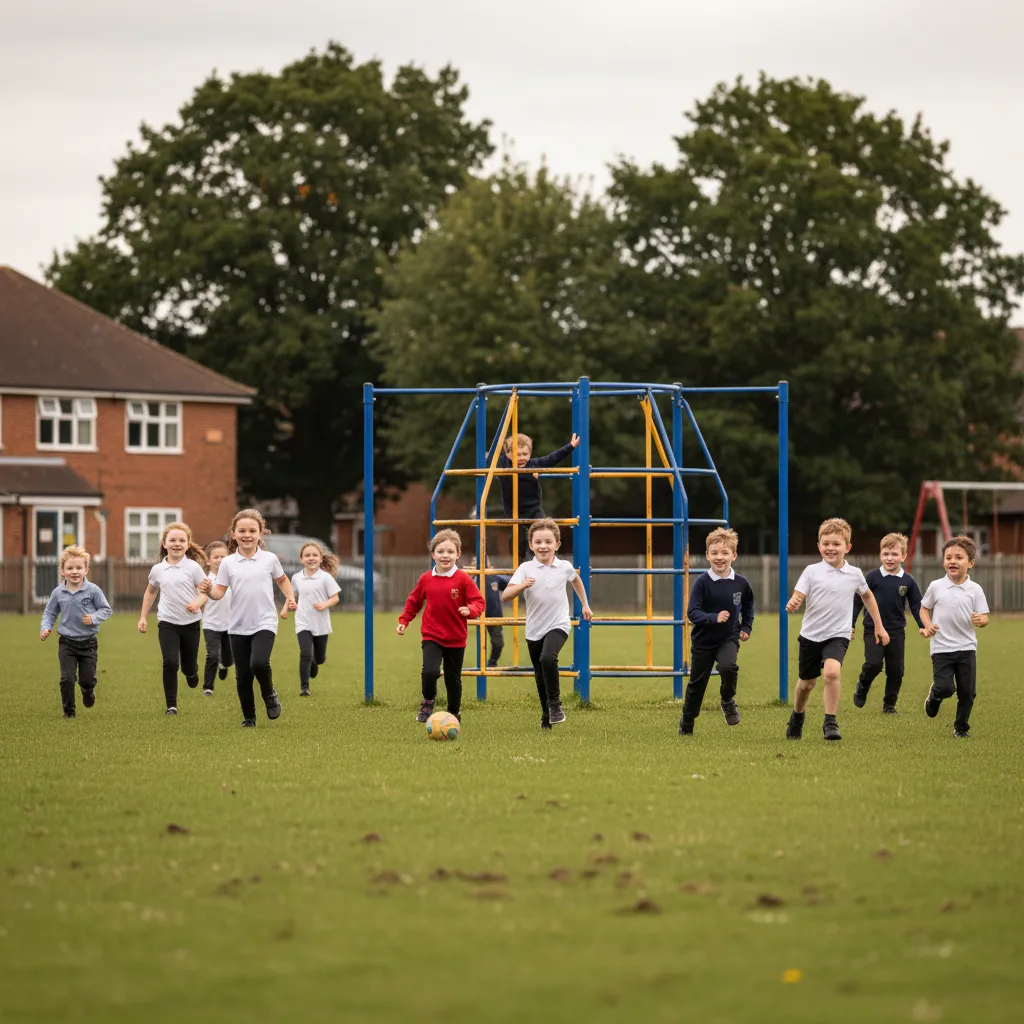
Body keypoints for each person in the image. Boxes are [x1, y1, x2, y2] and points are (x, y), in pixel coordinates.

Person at [784, 518, 890, 741]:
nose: (830, 548)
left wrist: (879, 626)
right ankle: (797, 716)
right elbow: (799, 593)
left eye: (836, 544)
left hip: (838, 635)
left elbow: (868, 596)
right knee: (807, 683)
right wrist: (794, 601)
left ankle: (830, 722)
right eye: (826, 543)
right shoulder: (811, 571)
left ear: (847, 547)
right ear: (819, 546)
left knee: (832, 672)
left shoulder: (855, 574)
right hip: (811, 636)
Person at [198, 509, 297, 728]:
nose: (247, 535)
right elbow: (219, 593)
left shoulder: (269, 559)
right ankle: (249, 717)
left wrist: (290, 597)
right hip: (237, 626)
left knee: (259, 663)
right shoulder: (228, 563)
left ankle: (269, 694)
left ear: (260, 533)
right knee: (243, 676)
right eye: (241, 530)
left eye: (252, 530)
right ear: (233, 534)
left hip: (265, 622)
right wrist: (207, 589)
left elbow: (282, 580)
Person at [503, 519, 593, 729]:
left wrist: (585, 605)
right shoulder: (526, 568)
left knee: (548, 658)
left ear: (557, 544)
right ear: (531, 545)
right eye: (538, 542)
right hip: (534, 629)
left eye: (548, 541)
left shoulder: (564, 567)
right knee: (540, 672)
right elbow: (506, 595)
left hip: (558, 624)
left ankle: (556, 704)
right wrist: (522, 585)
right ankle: (547, 715)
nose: (543, 546)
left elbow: (576, 580)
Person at [397, 529, 484, 724]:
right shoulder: (426, 579)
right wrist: (404, 621)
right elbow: (414, 602)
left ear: (458, 555)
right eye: (441, 551)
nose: (445, 556)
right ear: (433, 554)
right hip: (432, 635)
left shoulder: (463, 579)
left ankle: (454, 713)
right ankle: (428, 701)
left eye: (450, 552)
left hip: (456, 637)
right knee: (429, 671)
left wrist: (470, 610)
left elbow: (479, 602)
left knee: (452, 679)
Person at [679, 527, 754, 735]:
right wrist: (714, 618)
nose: (719, 557)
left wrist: (746, 626)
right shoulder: (702, 582)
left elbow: (748, 606)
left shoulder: (742, 583)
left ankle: (728, 700)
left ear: (734, 555)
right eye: (714, 553)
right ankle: (687, 721)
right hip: (703, 641)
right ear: (707, 555)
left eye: (724, 553)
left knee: (728, 667)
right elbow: (692, 613)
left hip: (728, 638)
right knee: (697, 684)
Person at [920, 534, 989, 738]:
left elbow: (984, 615)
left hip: (967, 648)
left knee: (968, 692)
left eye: (959, 557)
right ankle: (935, 695)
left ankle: (961, 728)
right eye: (948, 557)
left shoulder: (975, 590)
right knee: (945, 688)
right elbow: (924, 609)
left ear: (971, 563)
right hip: (941, 647)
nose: (952, 561)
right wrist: (928, 624)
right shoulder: (936, 586)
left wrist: (982, 620)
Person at [138, 522, 209, 716]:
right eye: (172, 540)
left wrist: (196, 602)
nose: (176, 544)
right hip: (167, 622)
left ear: (187, 544)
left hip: (191, 623)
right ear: (164, 543)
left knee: (187, 667)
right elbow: (151, 591)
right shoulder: (158, 570)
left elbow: (205, 593)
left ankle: (192, 672)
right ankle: (171, 705)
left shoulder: (193, 568)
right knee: (170, 662)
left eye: (181, 540)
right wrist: (143, 617)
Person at [851, 532, 924, 713]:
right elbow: (857, 602)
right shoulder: (872, 577)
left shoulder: (908, 581)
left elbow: (916, 606)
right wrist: (850, 624)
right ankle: (863, 684)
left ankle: (889, 705)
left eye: (894, 554)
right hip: (872, 628)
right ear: (880, 555)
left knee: (896, 671)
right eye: (886, 554)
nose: (889, 558)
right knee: (873, 664)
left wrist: (923, 625)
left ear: (903, 556)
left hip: (896, 630)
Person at [39, 545, 113, 719]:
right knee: (67, 679)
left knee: (86, 679)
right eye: (70, 568)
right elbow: (49, 613)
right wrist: (45, 627)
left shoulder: (93, 590)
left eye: (79, 568)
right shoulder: (58, 593)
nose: (74, 571)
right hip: (67, 643)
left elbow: (106, 609)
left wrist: (94, 617)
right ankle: (69, 712)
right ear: (62, 571)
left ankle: (88, 690)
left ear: (86, 570)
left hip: (88, 643)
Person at [497, 432, 579, 564]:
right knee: (518, 541)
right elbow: (495, 454)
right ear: (508, 455)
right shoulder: (503, 466)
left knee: (543, 530)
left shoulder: (533, 465)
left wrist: (570, 446)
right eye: (518, 455)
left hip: (533, 509)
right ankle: (517, 566)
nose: (522, 458)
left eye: (525, 454)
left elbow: (551, 459)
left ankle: (541, 561)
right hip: (514, 512)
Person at [281, 541, 341, 696]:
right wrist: (285, 609)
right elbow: (291, 595)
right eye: (307, 555)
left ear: (321, 558)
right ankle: (304, 687)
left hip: (321, 623)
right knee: (305, 653)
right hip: (303, 621)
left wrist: (324, 605)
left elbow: (335, 598)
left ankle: (315, 662)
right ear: (301, 559)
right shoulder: (296, 578)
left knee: (319, 658)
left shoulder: (325, 578)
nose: (311, 558)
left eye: (315, 555)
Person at [201, 540, 233, 695]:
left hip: (231, 625)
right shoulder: (206, 581)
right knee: (212, 655)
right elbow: (200, 597)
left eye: (223, 557)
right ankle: (208, 688)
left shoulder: (233, 579)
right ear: (208, 560)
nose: (220, 560)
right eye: (216, 557)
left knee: (229, 659)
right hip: (211, 624)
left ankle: (224, 664)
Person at [471, 555, 510, 668]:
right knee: (479, 644)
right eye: (475, 562)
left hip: (494, 615)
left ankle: (492, 662)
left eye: (483, 561)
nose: (479, 564)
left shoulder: (494, 576)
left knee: (498, 643)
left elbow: (510, 583)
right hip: (476, 615)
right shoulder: (469, 579)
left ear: (490, 564)